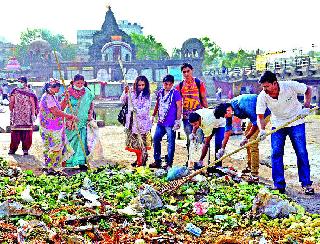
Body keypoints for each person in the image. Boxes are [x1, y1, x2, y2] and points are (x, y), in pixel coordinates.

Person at [256, 71, 314, 195]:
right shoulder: (262, 96)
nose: (264, 89)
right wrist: (261, 130)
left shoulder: (289, 85)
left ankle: (306, 184)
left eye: (266, 86)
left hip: (296, 121)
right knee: (276, 153)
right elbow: (260, 115)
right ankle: (279, 184)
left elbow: (308, 89)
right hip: (278, 124)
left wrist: (306, 107)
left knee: (301, 152)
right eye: (263, 87)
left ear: (274, 83)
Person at [214, 95, 271, 183]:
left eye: (225, 116)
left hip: (263, 114)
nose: (226, 118)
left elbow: (256, 123)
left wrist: (246, 138)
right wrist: (222, 148)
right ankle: (249, 166)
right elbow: (228, 131)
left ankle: (254, 174)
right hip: (254, 116)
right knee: (247, 138)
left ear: (228, 110)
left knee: (252, 141)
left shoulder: (243, 104)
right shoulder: (230, 110)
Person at [39, 78, 76, 172]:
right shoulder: (47, 97)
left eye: (58, 86)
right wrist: (69, 116)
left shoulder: (52, 97)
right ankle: (52, 168)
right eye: (55, 87)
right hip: (50, 127)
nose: (57, 88)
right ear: (48, 88)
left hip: (57, 126)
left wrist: (65, 100)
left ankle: (58, 168)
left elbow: (60, 108)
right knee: (54, 147)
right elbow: (55, 112)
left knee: (61, 147)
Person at [176, 63, 208, 161]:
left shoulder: (199, 83)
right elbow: (178, 104)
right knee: (190, 140)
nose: (186, 74)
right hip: (186, 118)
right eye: (184, 72)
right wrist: (177, 119)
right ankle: (190, 160)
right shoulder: (180, 86)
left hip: (199, 118)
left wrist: (207, 113)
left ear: (192, 70)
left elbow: (203, 99)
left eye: (188, 71)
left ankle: (200, 161)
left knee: (199, 138)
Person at [149, 75, 182, 169]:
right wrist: (153, 115)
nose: (167, 86)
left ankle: (169, 163)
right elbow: (157, 104)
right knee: (156, 139)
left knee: (170, 142)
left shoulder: (175, 93)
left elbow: (179, 107)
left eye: (169, 84)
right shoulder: (160, 92)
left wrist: (178, 120)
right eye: (165, 84)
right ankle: (157, 161)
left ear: (172, 84)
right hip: (161, 121)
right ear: (163, 83)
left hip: (171, 122)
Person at [120, 75, 152, 167]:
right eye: (139, 85)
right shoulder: (131, 92)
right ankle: (138, 159)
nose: (141, 87)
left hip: (142, 122)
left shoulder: (147, 95)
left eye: (143, 85)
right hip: (131, 122)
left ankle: (142, 160)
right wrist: (125, 93)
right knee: (135, 143)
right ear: (135, 85)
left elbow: (146, 109)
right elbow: (122, 101)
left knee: (142, 143)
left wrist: (136, 111)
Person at [65, 74, 95, 170]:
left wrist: (90, 114)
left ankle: (81, 162)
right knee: (71, 140)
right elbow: (62, 105)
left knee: (82, 141)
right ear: (73, 82)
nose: (80, 85)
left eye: (82, 83)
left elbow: (91, 104)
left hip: (83, 120)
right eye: (78, 83)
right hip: (71, 121)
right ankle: (68, 161)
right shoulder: (68, 92)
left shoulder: (87, 92)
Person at [8, 76, 37, 155]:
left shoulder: (30, 92)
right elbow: (11, 102)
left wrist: (33, 114)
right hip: (17, 115)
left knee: (27, 133)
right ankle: (13, 149)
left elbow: (33, 104)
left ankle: (25, 149)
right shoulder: (15, 91)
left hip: (27, 116)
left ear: (25, 83)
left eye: (21, 81)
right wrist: (11, 110)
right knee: (15, 133)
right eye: (18, 81)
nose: (19, 83)